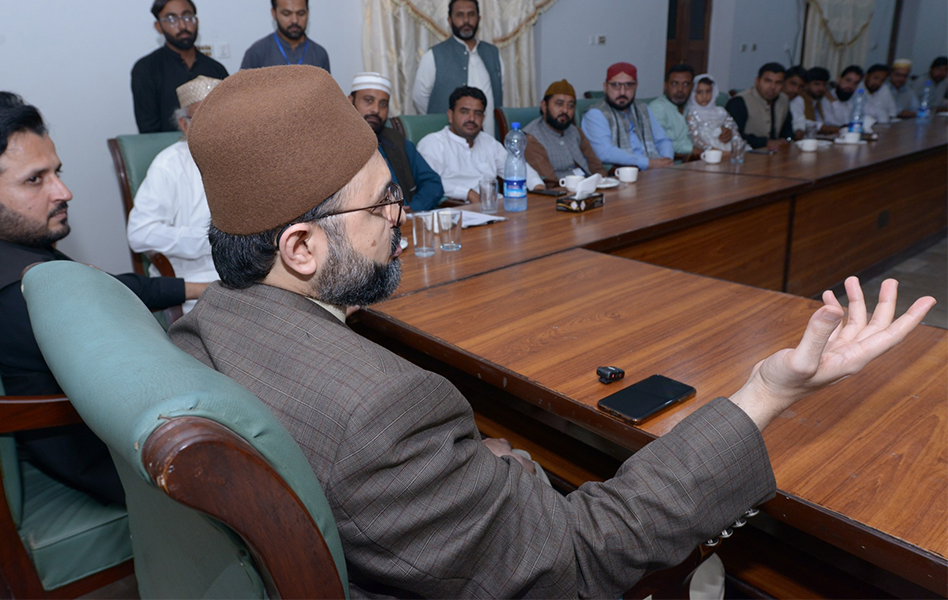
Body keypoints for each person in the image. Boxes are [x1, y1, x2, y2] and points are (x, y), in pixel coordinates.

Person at [170, 65, 934, 598]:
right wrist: (765, 391)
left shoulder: (203, 325)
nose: (400, 221)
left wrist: (482, 465)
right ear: (301, 247)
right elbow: (580, 556)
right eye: (382, 206)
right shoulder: (380, 412)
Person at [0, 92, 207, 504]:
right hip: (119, 465)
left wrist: (195, 288)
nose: (64, 191)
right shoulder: (23, 296)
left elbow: (97, 285)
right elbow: (151, 383)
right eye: (35, 180)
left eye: (56, 172)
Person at [128, 76, 222, 313]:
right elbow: (139, 233)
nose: (214, 126)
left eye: (221, 117)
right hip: (193, 280)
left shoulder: (245, 157)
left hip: (249, 275)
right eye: (202, 118)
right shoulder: (168, 164)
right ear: (184, 125)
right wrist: (206, 239)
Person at [417, 86, 543, 202]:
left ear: (483, 118)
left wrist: (538, 186)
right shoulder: (433, 144)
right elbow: (429, 183)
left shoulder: (488, 142)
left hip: (496, 207)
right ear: (450, 115)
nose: (472, 118)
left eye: (477, 113)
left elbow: (516, 167)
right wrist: (468, 193)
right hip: (457, 211)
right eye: (464, 112)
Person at [131, 0, 229, 133]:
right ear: (159, 27)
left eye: (187, 17)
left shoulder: (215, 69)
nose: (182, 25)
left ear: (197, 21)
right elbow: (148, 131)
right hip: (167, 151)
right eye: (171, 19)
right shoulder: (146, 69)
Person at [348, 72, 443, 211]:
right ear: (350, 101)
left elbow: (433, 184)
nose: (376, 109)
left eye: (383, 104)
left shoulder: (395, 140)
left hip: (403, 223)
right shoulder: (337, 145)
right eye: (368, 100)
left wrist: (412, 208)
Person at [412, 0, 503, 136]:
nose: (466, 20)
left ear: (479, 19)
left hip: (488, 143)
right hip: (447, 142)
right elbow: (420, 99)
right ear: (450, 20)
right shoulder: (434, 55)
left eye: (471, 15)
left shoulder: (493, 53)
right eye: (460, 15)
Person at [583, 62, 674, 169]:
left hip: (656, 172)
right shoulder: (595, 114)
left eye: (628, 85)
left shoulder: (642, 108)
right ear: (605, 87)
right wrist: (648, 163)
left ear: (636, 86)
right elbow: (605, 153)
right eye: (616, 85)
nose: (622, 92)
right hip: (623, 177)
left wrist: (666, 160)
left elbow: (662, 140)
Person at [522, 79, 606, 184]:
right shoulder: (532, 138)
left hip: (590, 189)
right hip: (560, 194)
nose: (565, 110)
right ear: (544, 106)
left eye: (570, 106)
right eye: (559, 104)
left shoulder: (576, 132)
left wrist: (605, 185)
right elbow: (550, 182)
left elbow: (596, 167)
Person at [240, 0, 330, 72]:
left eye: (301, 13)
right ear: (274, 13)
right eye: (286, 14)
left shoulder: (320, 54)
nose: (295, 20)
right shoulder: (257, 53)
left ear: (308, 13)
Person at [725, 62, 793, 150]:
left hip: (776, 153)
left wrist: (786, 140)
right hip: (748, 153)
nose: (773, 87)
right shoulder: (739, 101)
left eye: (778, 83)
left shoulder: (783, 100)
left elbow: (787, 130)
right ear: (757, 81)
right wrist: (765, 142)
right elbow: (733, 135)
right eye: (768, 81)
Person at [648, 64, 701, 158]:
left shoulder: (692, 107)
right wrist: (693, 150)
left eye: (685, 84)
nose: (680, 89)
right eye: (674, 84)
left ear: (692, 87)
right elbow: (659, 142)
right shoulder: (658, 108)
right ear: (665, 86)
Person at [685, 75, 746, 153]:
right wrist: (713, 150)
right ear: (693, 94)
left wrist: (728, 133)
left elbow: (733, 129)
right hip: (707, 152)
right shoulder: (692, 114)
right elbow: (695, 140)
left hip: (727, 148)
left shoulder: (721, 112)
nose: (704, 96)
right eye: (699, 92)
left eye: (708, 91)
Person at [802, 67, 839, 135]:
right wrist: (824, 128)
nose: (821, 88)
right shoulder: (800, 99)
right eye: (816, 84)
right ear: (806, 85)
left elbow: (835, 122)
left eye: (824, 84)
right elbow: (801, 122)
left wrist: (832, 99)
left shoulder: (819, 101)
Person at [783, 65, 808, 139]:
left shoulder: (798, 100)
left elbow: (800, 123)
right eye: (793, 84)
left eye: (801, 87)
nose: (796, 90)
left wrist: (799, 131)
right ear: (783, 81)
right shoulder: (773, 99)